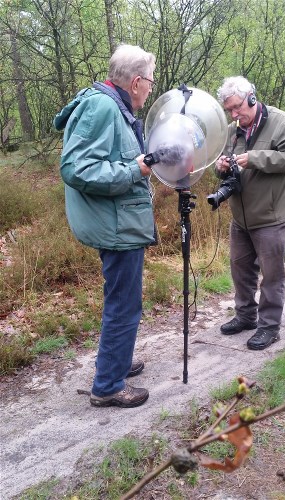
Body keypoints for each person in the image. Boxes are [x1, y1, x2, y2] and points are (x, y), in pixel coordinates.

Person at [54, 44, 157, 407]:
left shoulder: (114, 105)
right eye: (150, 82)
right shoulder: (102, 107)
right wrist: (135, 169)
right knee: (124, 303)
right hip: (116, 226)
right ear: (136, 82)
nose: (151, 89)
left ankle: (119, 361)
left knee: (124, 298)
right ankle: (109, 386)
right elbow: (76, 168)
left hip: (119, 219)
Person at [215, 76, 285, 350]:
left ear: (252, 97)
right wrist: (219, 167)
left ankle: (269, 327)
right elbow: (222, 165)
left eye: (237, 107)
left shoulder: (282, 122)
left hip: (271, 217)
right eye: (229, 110)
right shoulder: (232, 131)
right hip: (241, 216)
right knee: (240, 269)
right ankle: (245, 317)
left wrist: (257, 158)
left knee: (272, 274)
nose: (234, 115)